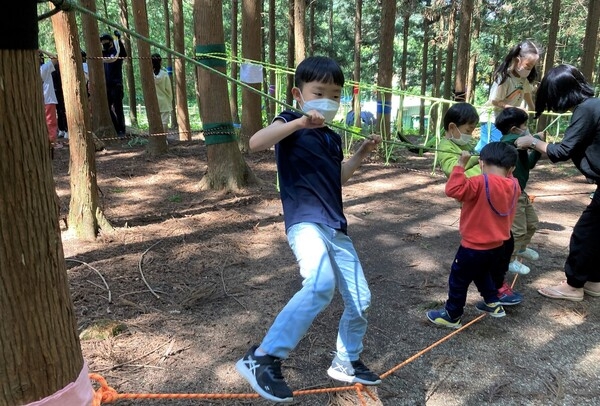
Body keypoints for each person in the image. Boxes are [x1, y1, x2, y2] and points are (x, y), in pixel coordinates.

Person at [236, 56, 382, 403]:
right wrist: (299, 122)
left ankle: (347, 361)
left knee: (361, 299)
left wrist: (359, 154)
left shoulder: (331, 138)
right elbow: (256, 142)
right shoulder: (289, 121)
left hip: (336, 226)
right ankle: (263, 358)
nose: (328, 102)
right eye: (319, 92)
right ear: (298, 94)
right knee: (320, 284)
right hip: (305, 221)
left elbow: (337, 179)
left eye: (335, 95)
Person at [515, 64, 600, 301]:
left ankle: (573, 286)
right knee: (596, 233)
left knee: (585, 233)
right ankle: (593, 280)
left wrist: (531, 142)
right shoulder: (594, 105)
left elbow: (562, 151)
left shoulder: (586, 109)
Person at [437, 103, 523, 307]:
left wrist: (486, 167)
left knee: (502, 243)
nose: (470, 134)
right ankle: (494, 290)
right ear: (452, 128)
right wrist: (483, 165)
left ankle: (494, 291)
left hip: (487, 196)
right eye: (467, 130)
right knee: (484, 251)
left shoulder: (464, 147)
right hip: (476, 198)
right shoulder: (445, 147)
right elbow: (453, 173)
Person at [427, 143, 521, 328]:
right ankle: (493, 303)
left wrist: (460, 164)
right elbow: (507, 175)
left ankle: (452, 315)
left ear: (481, 163)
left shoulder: (479, 182)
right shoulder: (514, 184)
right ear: (511, 169)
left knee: (458, 280)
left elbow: (453, 190)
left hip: (472, 248)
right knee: (482, 273)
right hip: (497, 247)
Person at [496, 107, 545, 275]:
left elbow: (529, 164)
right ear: (515, 129)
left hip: (521, 193)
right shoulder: (507, 143)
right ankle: (510, 260)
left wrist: (537, 148)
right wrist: (535, 139)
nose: (527, 129)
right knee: (517, 230)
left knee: (532, 223)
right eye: (525, 126)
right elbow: (513, 141)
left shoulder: (520, 146)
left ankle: (522, 249)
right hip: (511, 195)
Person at [476, 40, 540, 152]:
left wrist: (533, 109)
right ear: (517, 60)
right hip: (493, 118)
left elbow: (526, 94)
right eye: (527, 66)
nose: (529, 70)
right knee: (495, 148)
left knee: (511, 146)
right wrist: (513, 108)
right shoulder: (504, 78)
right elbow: (495, 101)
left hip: (508, 120)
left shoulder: (523, 80)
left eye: (531, 67)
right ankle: (472, 158)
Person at [100, 32, 127, 136]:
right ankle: (115, 127)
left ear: (111, 42)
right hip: (106, 86)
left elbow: (124, 54)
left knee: (118, 108)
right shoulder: (103, 54)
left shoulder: (116, 52)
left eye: (105, 41)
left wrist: (119, 40)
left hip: (116, 84)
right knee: (106, 107)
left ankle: (121, 130)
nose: (103, 43)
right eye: (102, 42)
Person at [39, 50, 59, 149]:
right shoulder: (44, 68)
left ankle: (47, 142)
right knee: (50, 122)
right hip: (48, 99)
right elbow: (55, 57)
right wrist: (41, 50)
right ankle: (51, 143)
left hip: (40, 100)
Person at [151, 53, 173, 131]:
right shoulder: (164, 74)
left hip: (152, 102)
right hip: (164, 101)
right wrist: (170, 100)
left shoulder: (148, 75)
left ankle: (157, 139)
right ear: (160, 62)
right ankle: (163, 139)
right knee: (164, 122)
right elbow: (169, 90)